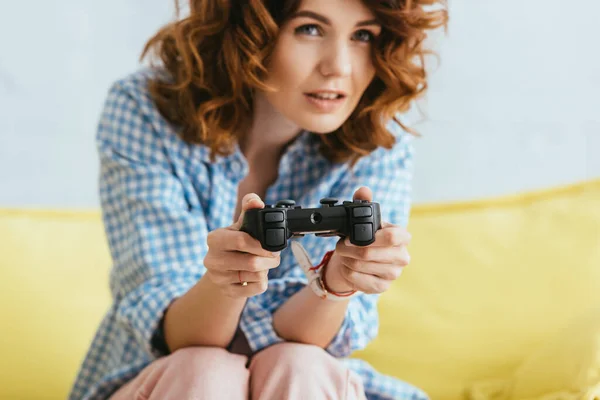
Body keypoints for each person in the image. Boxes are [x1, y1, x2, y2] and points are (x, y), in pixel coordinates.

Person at [69, 0, 447, 399]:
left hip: (302, 378)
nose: (340, 66)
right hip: (168, 379)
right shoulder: (145, 110)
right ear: (247, 31)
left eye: (363, 35)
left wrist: (337, 282)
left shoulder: (379, 141)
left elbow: (309, 343)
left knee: (300, 365)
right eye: (310, 29)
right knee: (203, 370)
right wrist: (224, 283)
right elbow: (178, 334)